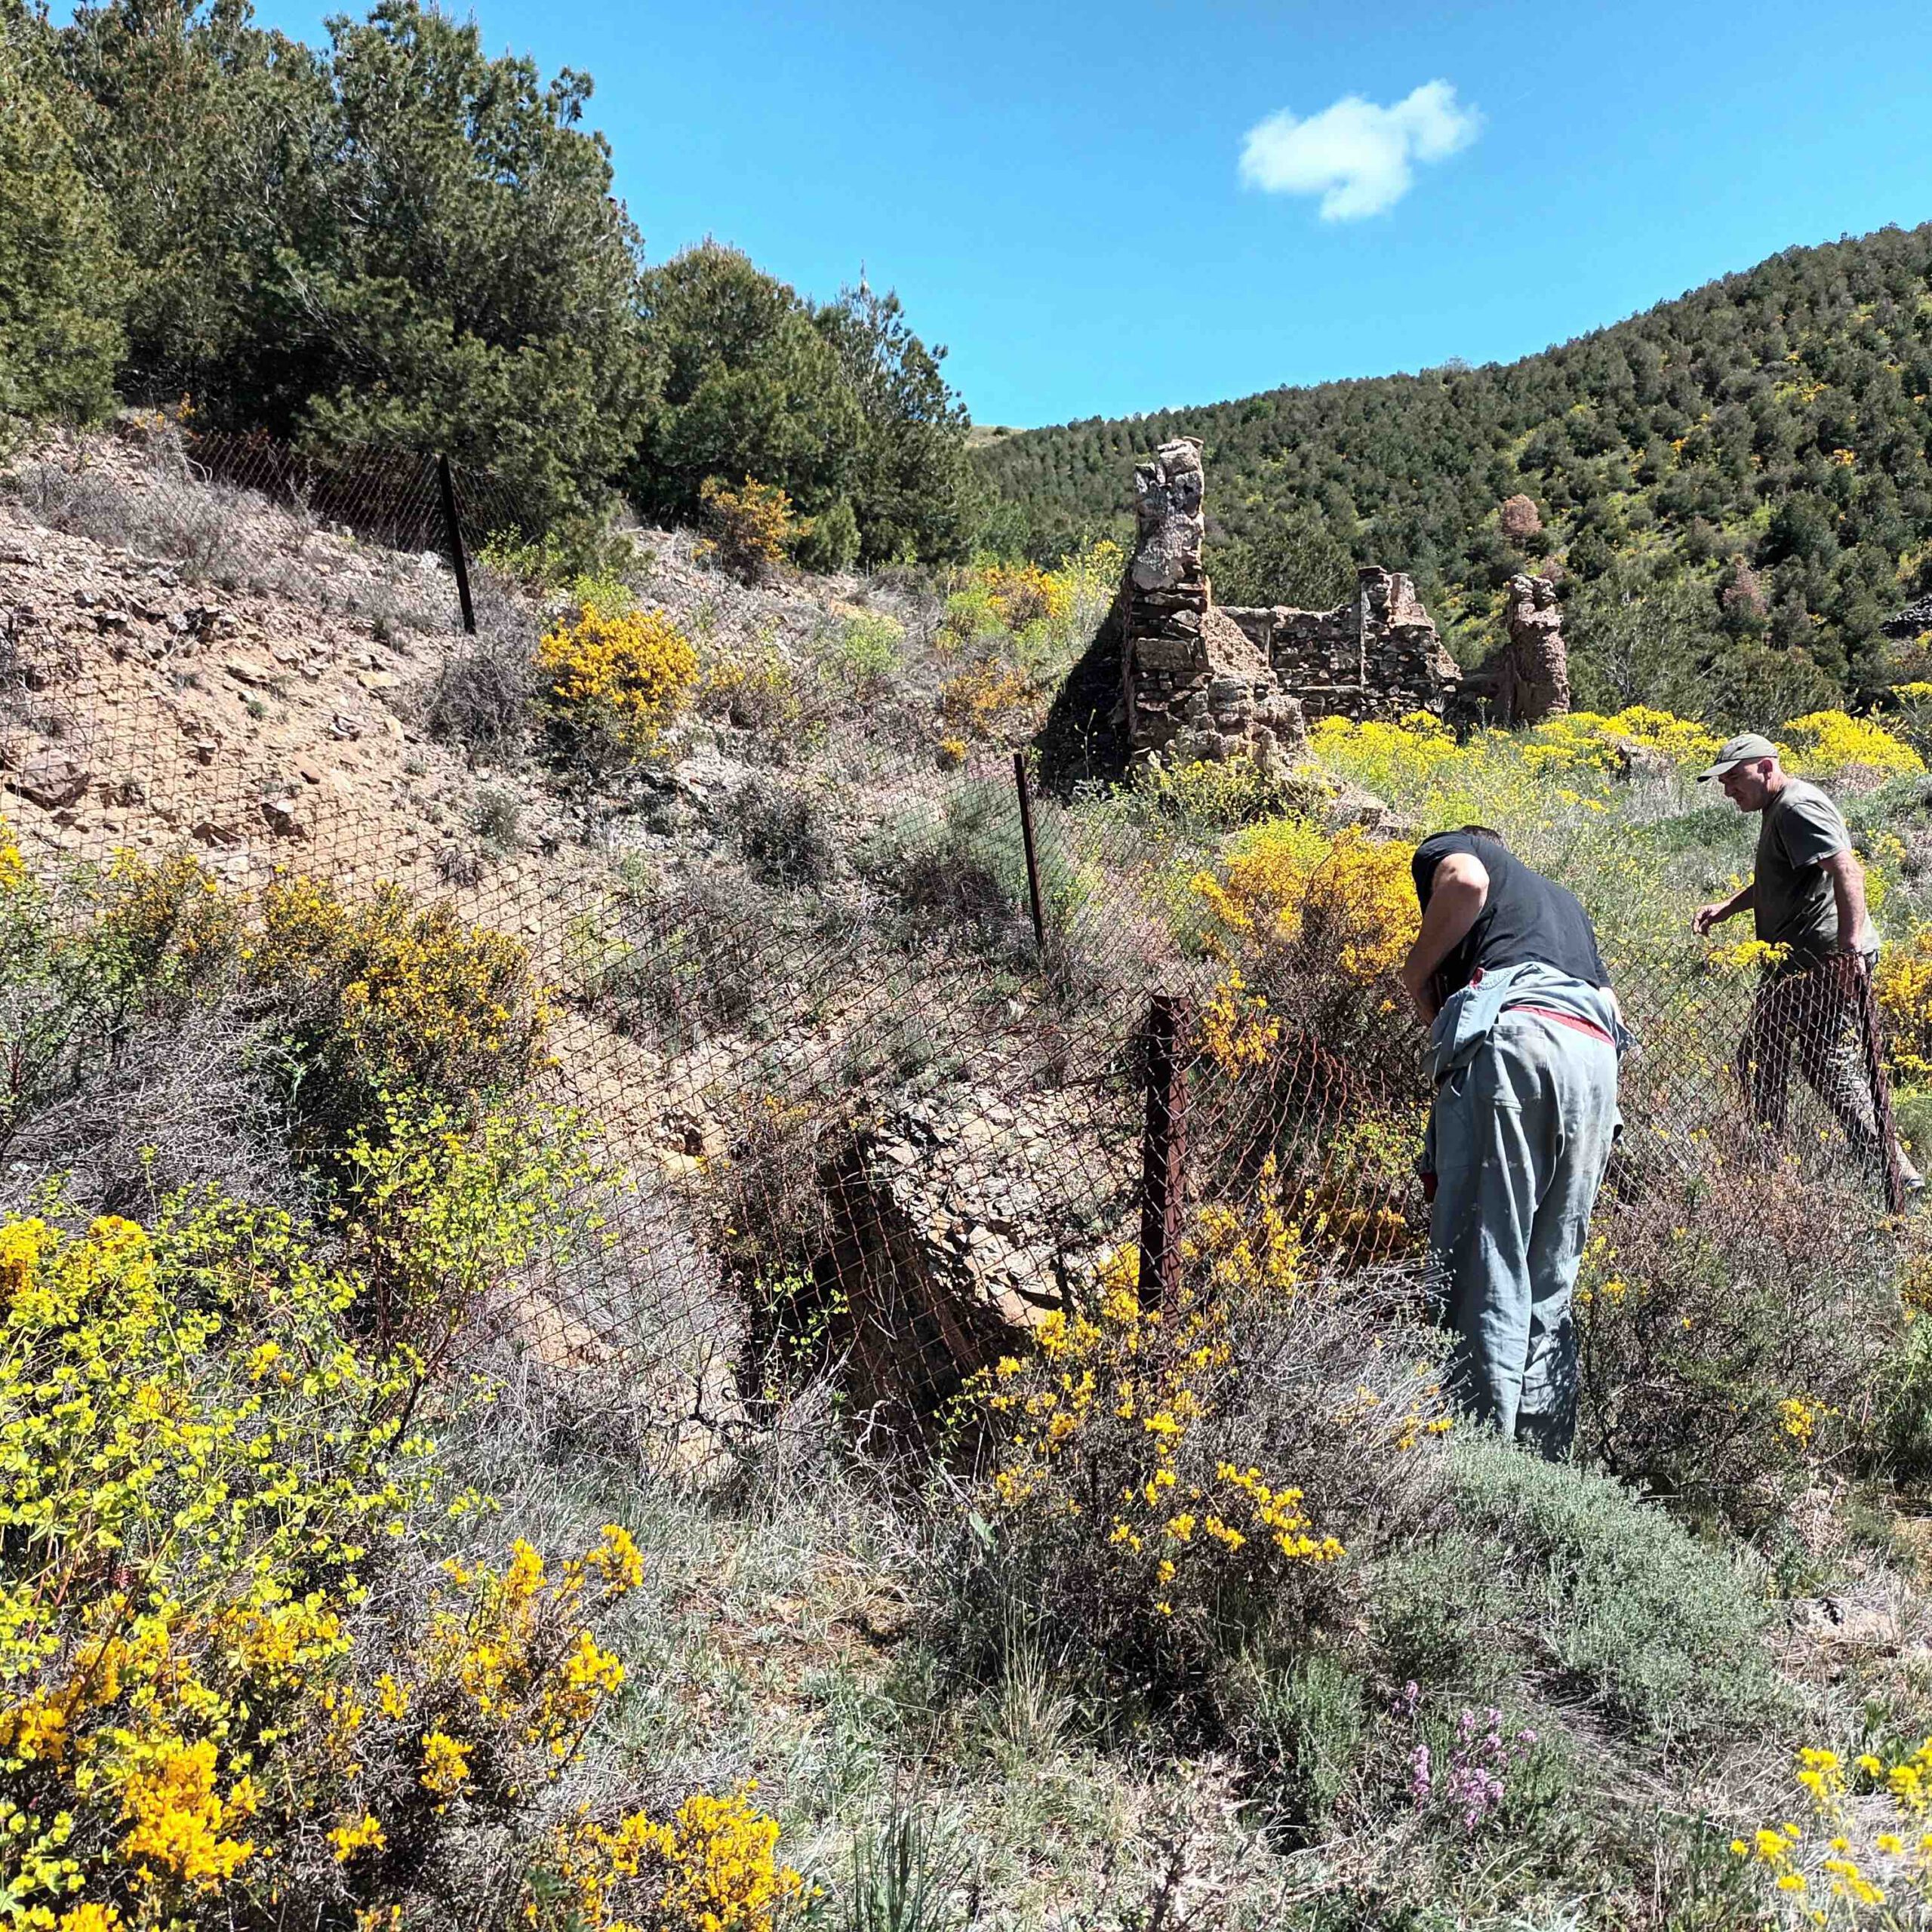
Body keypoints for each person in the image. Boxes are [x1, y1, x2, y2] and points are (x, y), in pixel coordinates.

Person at [1398, 826, 1623, 1460]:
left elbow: (1464, 883)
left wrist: (1415, 977)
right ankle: (1540, 1467)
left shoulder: (1460, 851)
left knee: (1487, 1258)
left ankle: (1477, 1468)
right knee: (1551, 1266)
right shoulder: (1564, 904)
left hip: (1520, 1039)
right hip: (1596, 1060)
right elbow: (1611, 1001)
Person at [1690, 732, 1921, 1195]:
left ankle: (1774, 1167)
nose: (1728, 789)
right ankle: (1884, 1166)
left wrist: (1850, 950)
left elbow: (1847, 870)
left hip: (1822, 961)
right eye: (1723, 781)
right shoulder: (1779, 808)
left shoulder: (1796, 807)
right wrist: (1729, 908)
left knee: (1774, 1058)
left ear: (1768, 767)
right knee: (1800, 1059)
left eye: (1736, 777)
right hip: (1803, 961)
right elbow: (1779, 880)